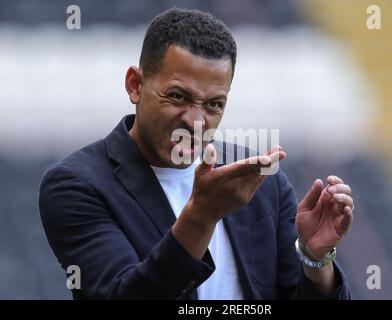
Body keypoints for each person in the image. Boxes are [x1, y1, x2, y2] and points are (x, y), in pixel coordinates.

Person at [39, 8, 354, 300]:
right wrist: (202, 215)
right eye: (178, 96)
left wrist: (315, 260)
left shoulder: (260, 181)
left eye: (214, 104)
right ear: (135, 85)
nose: (195, 120)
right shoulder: (75, 185)